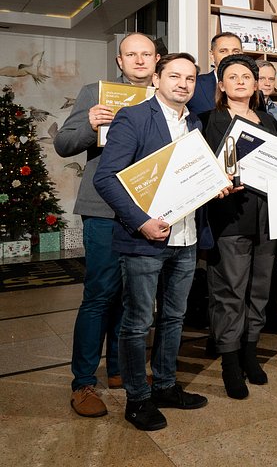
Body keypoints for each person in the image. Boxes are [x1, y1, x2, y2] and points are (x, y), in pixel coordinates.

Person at [94, 52, 232, 431]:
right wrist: (141, 223)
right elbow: (106, 178)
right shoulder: (134, 117)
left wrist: (214, 185)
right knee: (138, 322)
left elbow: (190, 179)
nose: (183, 84)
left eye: (190, 78)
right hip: (145, 240)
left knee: (174, 317)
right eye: (174, 76)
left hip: (186, 237)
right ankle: (138, 398)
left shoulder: (195, 123)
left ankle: (166, 385)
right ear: (157, 79)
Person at [55, 33, 158, 418]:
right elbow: (64, 144)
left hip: (147, 210)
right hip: (103, 209)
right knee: (99, 294)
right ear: (120, 61)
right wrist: (89, 124)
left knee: (134, 298)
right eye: (131, 54)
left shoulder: (163, 97)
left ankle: (119, 369)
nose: (139, 60)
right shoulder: (95, 93)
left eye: (146, 54)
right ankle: (83, 382)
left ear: (156, 59)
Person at [199, 55, 277, 399]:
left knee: (259, 290)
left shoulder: (268, 121)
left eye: (247, 76)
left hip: (267, 217)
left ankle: (250, 352)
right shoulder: (208, 121)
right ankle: (229, 362)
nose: (241, 81)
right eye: (233, 76)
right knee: (229, 292)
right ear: (221, 84)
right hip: (230, 217)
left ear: (256, 84)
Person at [187, 32, 243, 114]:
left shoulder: (251, 87)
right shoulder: (195, 85)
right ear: (212, 55)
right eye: (223, 51)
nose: (230, 56)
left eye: (236, 51)